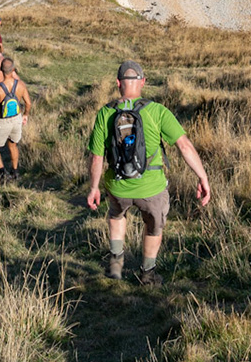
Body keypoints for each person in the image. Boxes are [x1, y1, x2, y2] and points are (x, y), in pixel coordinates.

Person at [85, 60, 212, 285]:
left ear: (117, 83)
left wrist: (94, 188)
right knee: (154, 227)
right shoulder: (157, 111)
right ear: (143, 82)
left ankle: (116, 264)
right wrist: (202, 177)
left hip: (117, 184)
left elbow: (97, 157)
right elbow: (184, 146)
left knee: (116, 215)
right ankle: (147, 273)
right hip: (151, 187)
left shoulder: (105, 113)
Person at [0, 57, 32, 179]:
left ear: (1, 70)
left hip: (2, 122)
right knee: (12, 144)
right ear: (13, 69)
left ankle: (2, 172)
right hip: (17, 119)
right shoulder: (20, 84)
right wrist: (25, 115)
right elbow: (28, 103)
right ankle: (15, 172)